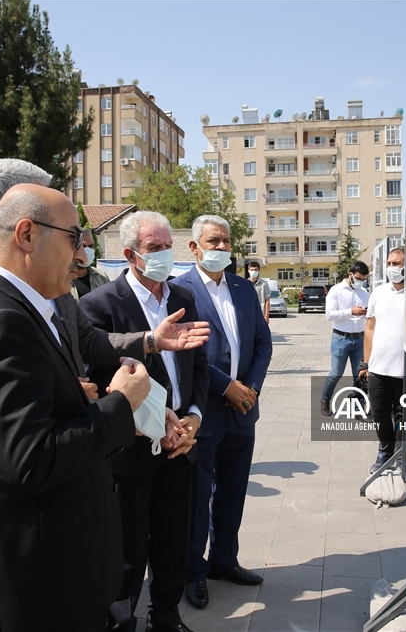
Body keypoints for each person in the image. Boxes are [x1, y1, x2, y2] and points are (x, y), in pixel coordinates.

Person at [0, 184, 151, 632]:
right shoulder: (0, 320)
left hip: (50, 571)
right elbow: (32, 459)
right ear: (27, 235)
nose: (80, 254)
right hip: (39, 584)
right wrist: (120, 405)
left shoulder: (12, 308)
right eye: (74, 237)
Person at [0, 159, 208, 463]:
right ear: (17, 211)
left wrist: (151, 340)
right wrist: (70, 392)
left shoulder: (50, 274)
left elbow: (86, 340)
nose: (78, 253)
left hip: (70, 444)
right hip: (11, 458)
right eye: (70, 236)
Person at [79, 211, 208, 632]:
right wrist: (150, 423)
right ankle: (121, 624)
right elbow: (98, 382)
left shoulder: (183, 297)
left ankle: (166, 620)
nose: (165, 255)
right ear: (131, 254)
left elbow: (200, 366)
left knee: (174, 545)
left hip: (179, 450)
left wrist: (193, 417)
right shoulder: (97, 307)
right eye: (155, 248)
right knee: (127, 554)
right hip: (128, 454)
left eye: (168, 246)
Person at [171, 216, 272, 610]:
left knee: (233, 492)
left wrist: (250, 389)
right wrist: (225, 387)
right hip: (203, 411)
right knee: (198, 499)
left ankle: (224, 561)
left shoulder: (245, 289)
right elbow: (185, 350)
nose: (223, 248)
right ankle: (193, 573)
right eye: (214, 241)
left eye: (228, 241)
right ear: (194, 248)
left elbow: (262, 343)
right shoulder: (179, 291)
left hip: (243, 410)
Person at [359, 248, 406, 481]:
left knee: (404, 416)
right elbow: (370, 328)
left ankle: (403, 459)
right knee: (379, 415)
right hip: (379, 367)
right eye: (389, 263)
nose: (391, 268)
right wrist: (365, 363)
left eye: (396, 263)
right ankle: (384, 453)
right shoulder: (378, 293)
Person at [319, 261, 370, 416]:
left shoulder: (364, 293)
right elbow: (329, 314)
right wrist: (351, 311)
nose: (361, 282)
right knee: (336, 373)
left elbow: (369, 315)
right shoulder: (336, 291)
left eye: (364, 279)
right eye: (358, 278)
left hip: (360, 339)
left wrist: (365, 313)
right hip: (341, 339)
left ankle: (358, 408)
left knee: (360, 375)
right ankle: (325, 400)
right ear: (350, 274)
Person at [70, 229, 109, 300]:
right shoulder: (61, 278)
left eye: (91, 246)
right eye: (83, 246)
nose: (88, 250)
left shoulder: (101, 276)